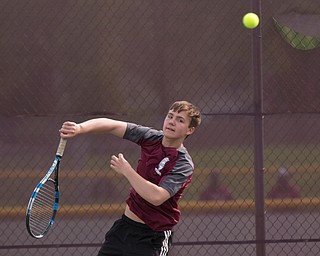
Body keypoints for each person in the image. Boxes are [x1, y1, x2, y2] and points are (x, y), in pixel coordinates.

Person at [59, 100, 201, 256]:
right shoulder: (151, 137)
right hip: (124, 229)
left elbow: (157, 197)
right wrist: (80, 128)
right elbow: (112, 125)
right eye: (170, 116)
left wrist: (127, 171)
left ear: (190, 130)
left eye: (180, 120)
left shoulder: (183, 163)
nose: (172, 122)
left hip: (152, 238)